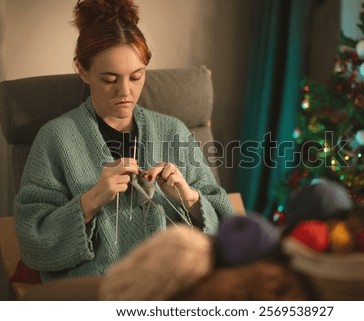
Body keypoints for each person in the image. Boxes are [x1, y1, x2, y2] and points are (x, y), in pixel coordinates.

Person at [14, 0, 234, 282]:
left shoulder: (174, 131)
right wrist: (91, 200)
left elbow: (227, 226)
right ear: (83, 71)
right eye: (109, 80)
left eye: (136, 76)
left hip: (176, 285)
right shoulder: (55, 138)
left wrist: (189, 197)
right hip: (97, 290)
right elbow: (34, 242)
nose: (125, 92)